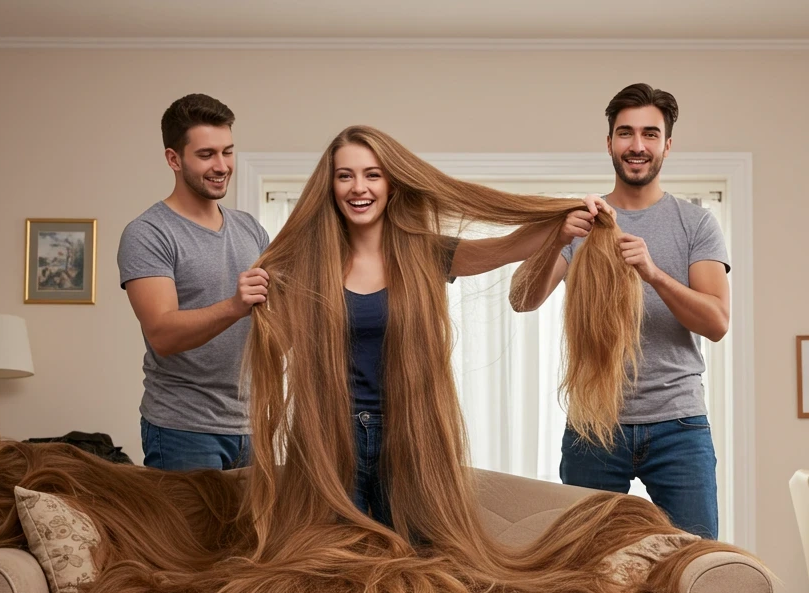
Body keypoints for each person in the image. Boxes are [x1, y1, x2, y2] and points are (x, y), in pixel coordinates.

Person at [250, 126, 604, 526]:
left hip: (409, 435)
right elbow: (278, 345)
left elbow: (505, 248)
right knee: (330, 566)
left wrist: (563, 220)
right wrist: (255, 301)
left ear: (392, 184)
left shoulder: (423, 253)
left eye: (372, 174)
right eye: (344, 175)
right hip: (327, 439)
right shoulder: (306, 264)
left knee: (418, 562)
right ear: (330, 186)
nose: (357, 187)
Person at [510, 83, 731, 539]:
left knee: (698, 563)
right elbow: (522, 299)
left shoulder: (696, 223)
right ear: (609, 142)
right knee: (580, 570)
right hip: (594, 423)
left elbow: (716, 323)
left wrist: (654, 273)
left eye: (650, 134)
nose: (637, 145)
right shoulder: (579, 221)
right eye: (625, 133)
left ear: (667, 145)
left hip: (679, 424)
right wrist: (555, 235)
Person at [117, 93, 270, 472]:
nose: (222, 166)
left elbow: (274, 319)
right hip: (182, 427)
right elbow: (163, 335)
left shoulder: (250, 228)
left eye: (228, 152)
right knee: (190, 535)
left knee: (252, 535)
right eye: (207, 155)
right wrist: (235, 306)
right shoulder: (148, 233)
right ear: (174, 158)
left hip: (252, 426)